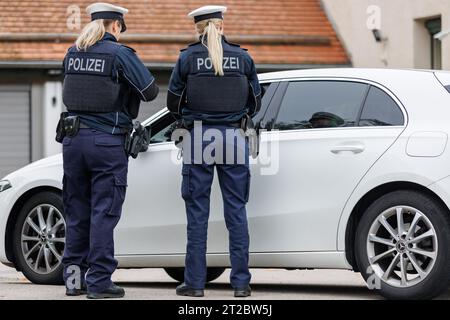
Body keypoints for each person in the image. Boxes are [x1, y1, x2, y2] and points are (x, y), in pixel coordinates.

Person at [60, 2, 159, 299]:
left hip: (72, 141)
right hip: (106, 143)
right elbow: (150, 91)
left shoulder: (73, 52)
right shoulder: (119, 54)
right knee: (104, 213)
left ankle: (74, 281)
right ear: (115, 26)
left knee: (76, 212)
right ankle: (100, 282)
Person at [167, 5, 261, 298]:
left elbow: (173, 103)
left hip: (198, 138)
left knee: (197, 215)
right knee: (236, 212)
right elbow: (255, 102)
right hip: (234, 137)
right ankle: (241, 284)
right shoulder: (243, 58)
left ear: (198, 28)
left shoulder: (187, 59)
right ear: (221, 25)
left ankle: (195, 285)